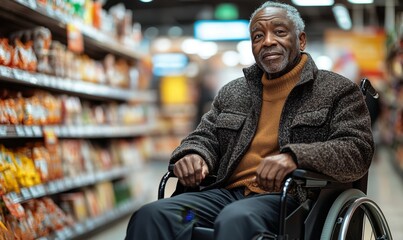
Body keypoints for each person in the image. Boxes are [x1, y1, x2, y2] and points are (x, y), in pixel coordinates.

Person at [125, 1, 374, 239]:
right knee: (154, 215)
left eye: (279, 32)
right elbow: (205, 135)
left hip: (291, 202)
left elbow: (357, 150)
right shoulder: (234, 92)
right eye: (257, 36)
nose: (267, 42)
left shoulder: (337, 90)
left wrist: (295, 157)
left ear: (301, 40)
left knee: (236, 219)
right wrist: (193, 153)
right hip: (224, 196)